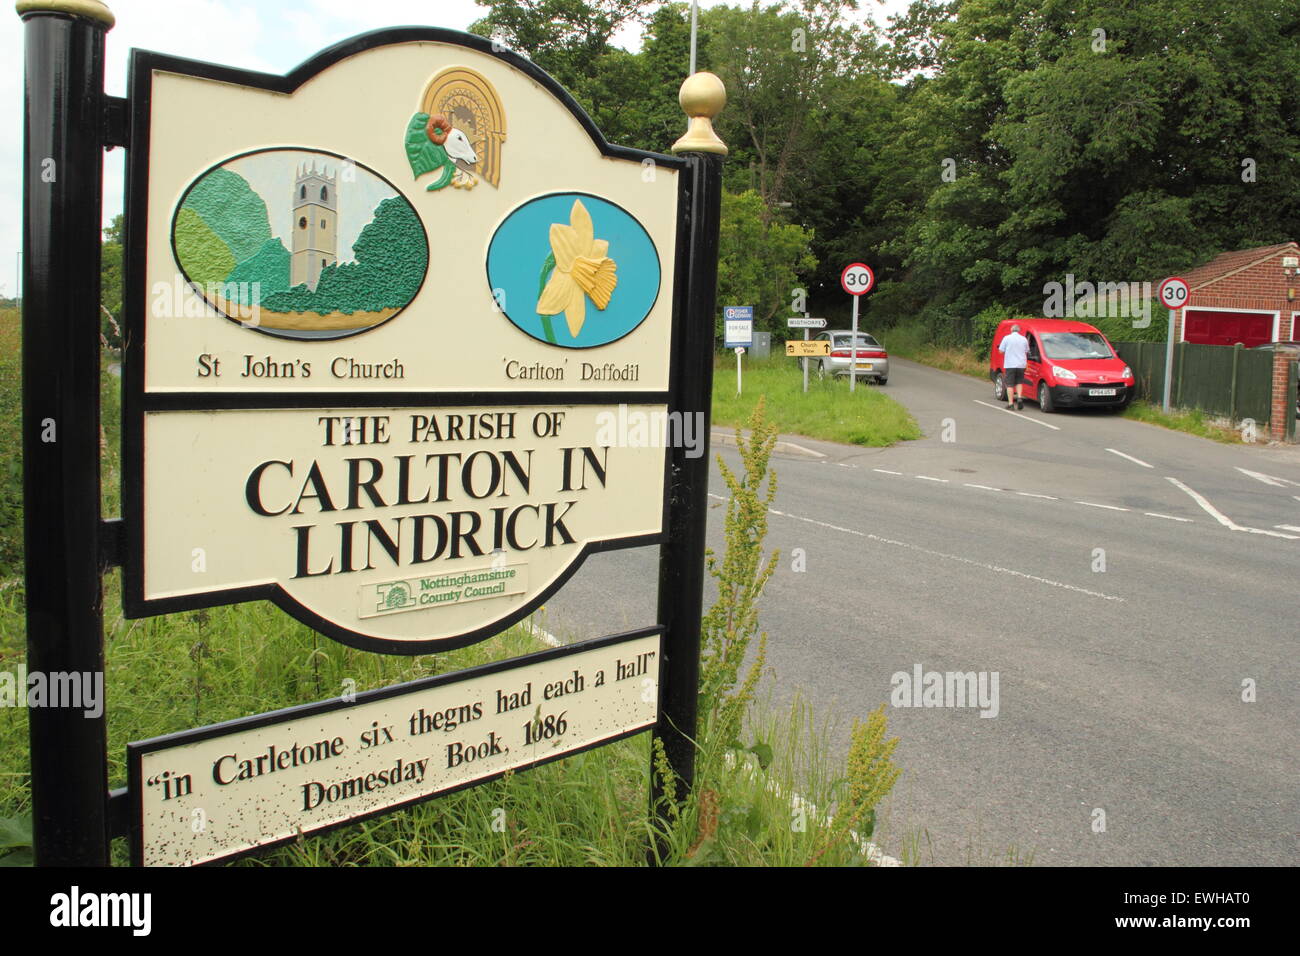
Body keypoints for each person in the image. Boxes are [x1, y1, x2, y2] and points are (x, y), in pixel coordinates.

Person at [999, 323, 1029, 410]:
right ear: (1019, 330)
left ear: (1011, 330)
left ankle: (1011, 404)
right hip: (1021, 364)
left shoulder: (1007, 338)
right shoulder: (1024, 339)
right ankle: (1019, 398)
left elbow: (1001, 351)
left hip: (1010, 364)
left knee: (1010, 384)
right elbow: (1027, 350)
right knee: (1019, 382)